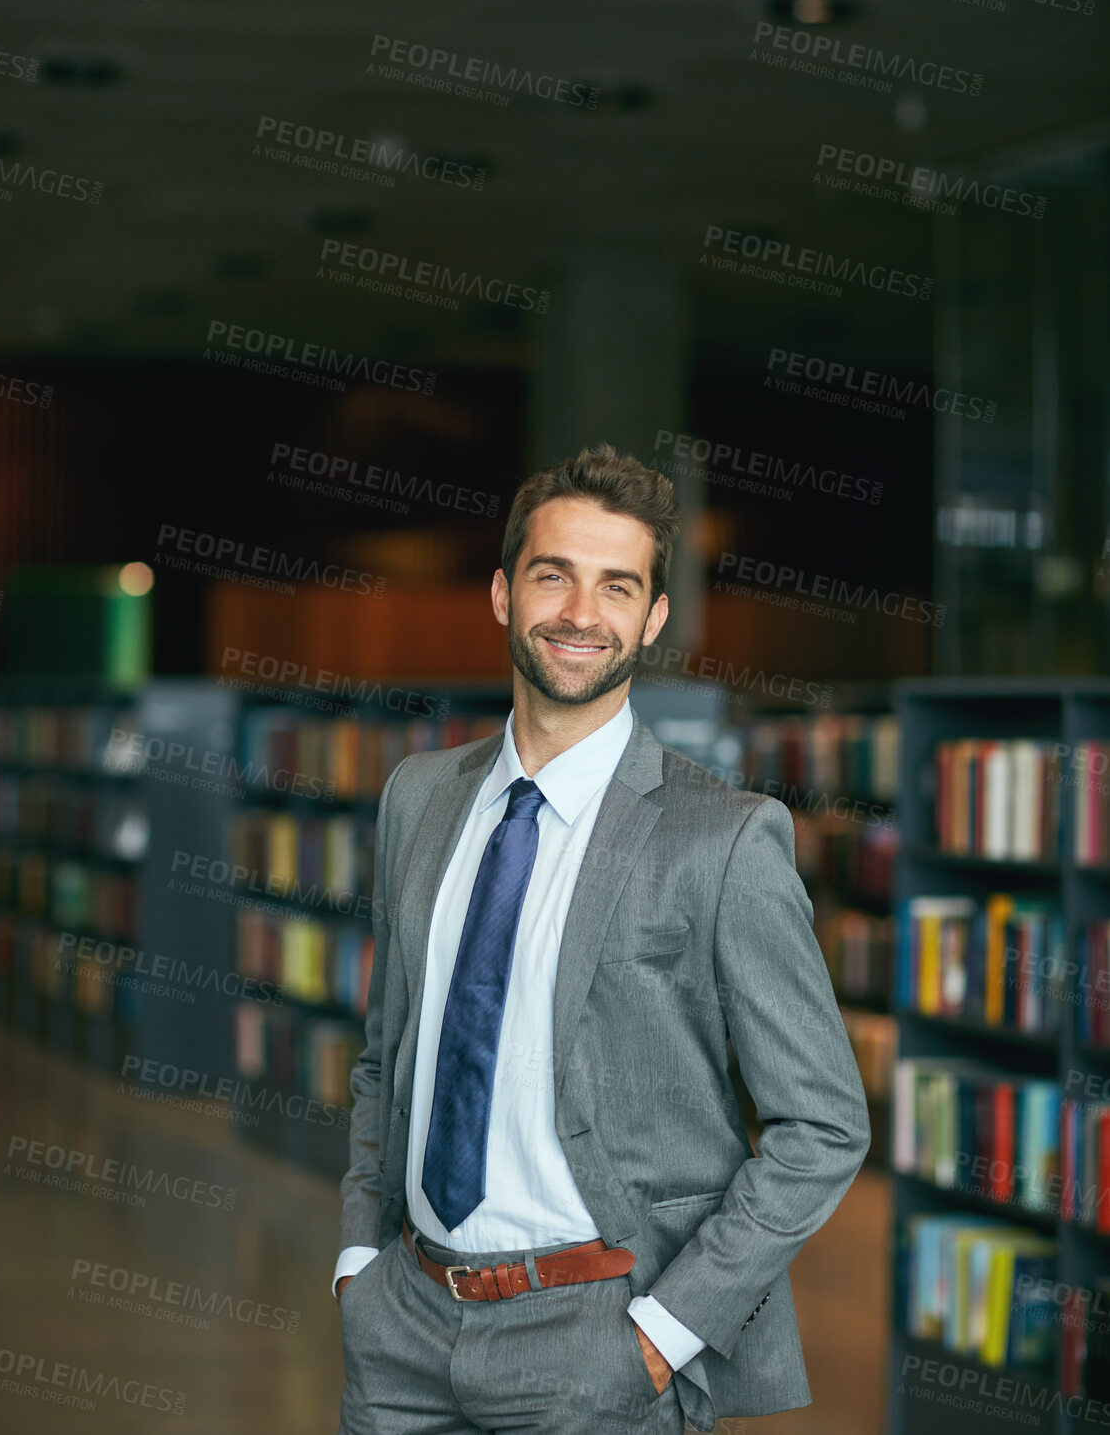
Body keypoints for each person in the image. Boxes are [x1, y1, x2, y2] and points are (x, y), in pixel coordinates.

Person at [332, 442, 870, 1433]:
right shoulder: (418, 798)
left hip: (598, 1339)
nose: (582, 612)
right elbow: (387, 1052)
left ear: (653, 617)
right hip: (401, 1329)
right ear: (501, 592)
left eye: (617, 586)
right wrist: (359, 1261)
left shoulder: (724, 838)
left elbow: (825, 1125)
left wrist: (667, 1330)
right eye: (554, 575)